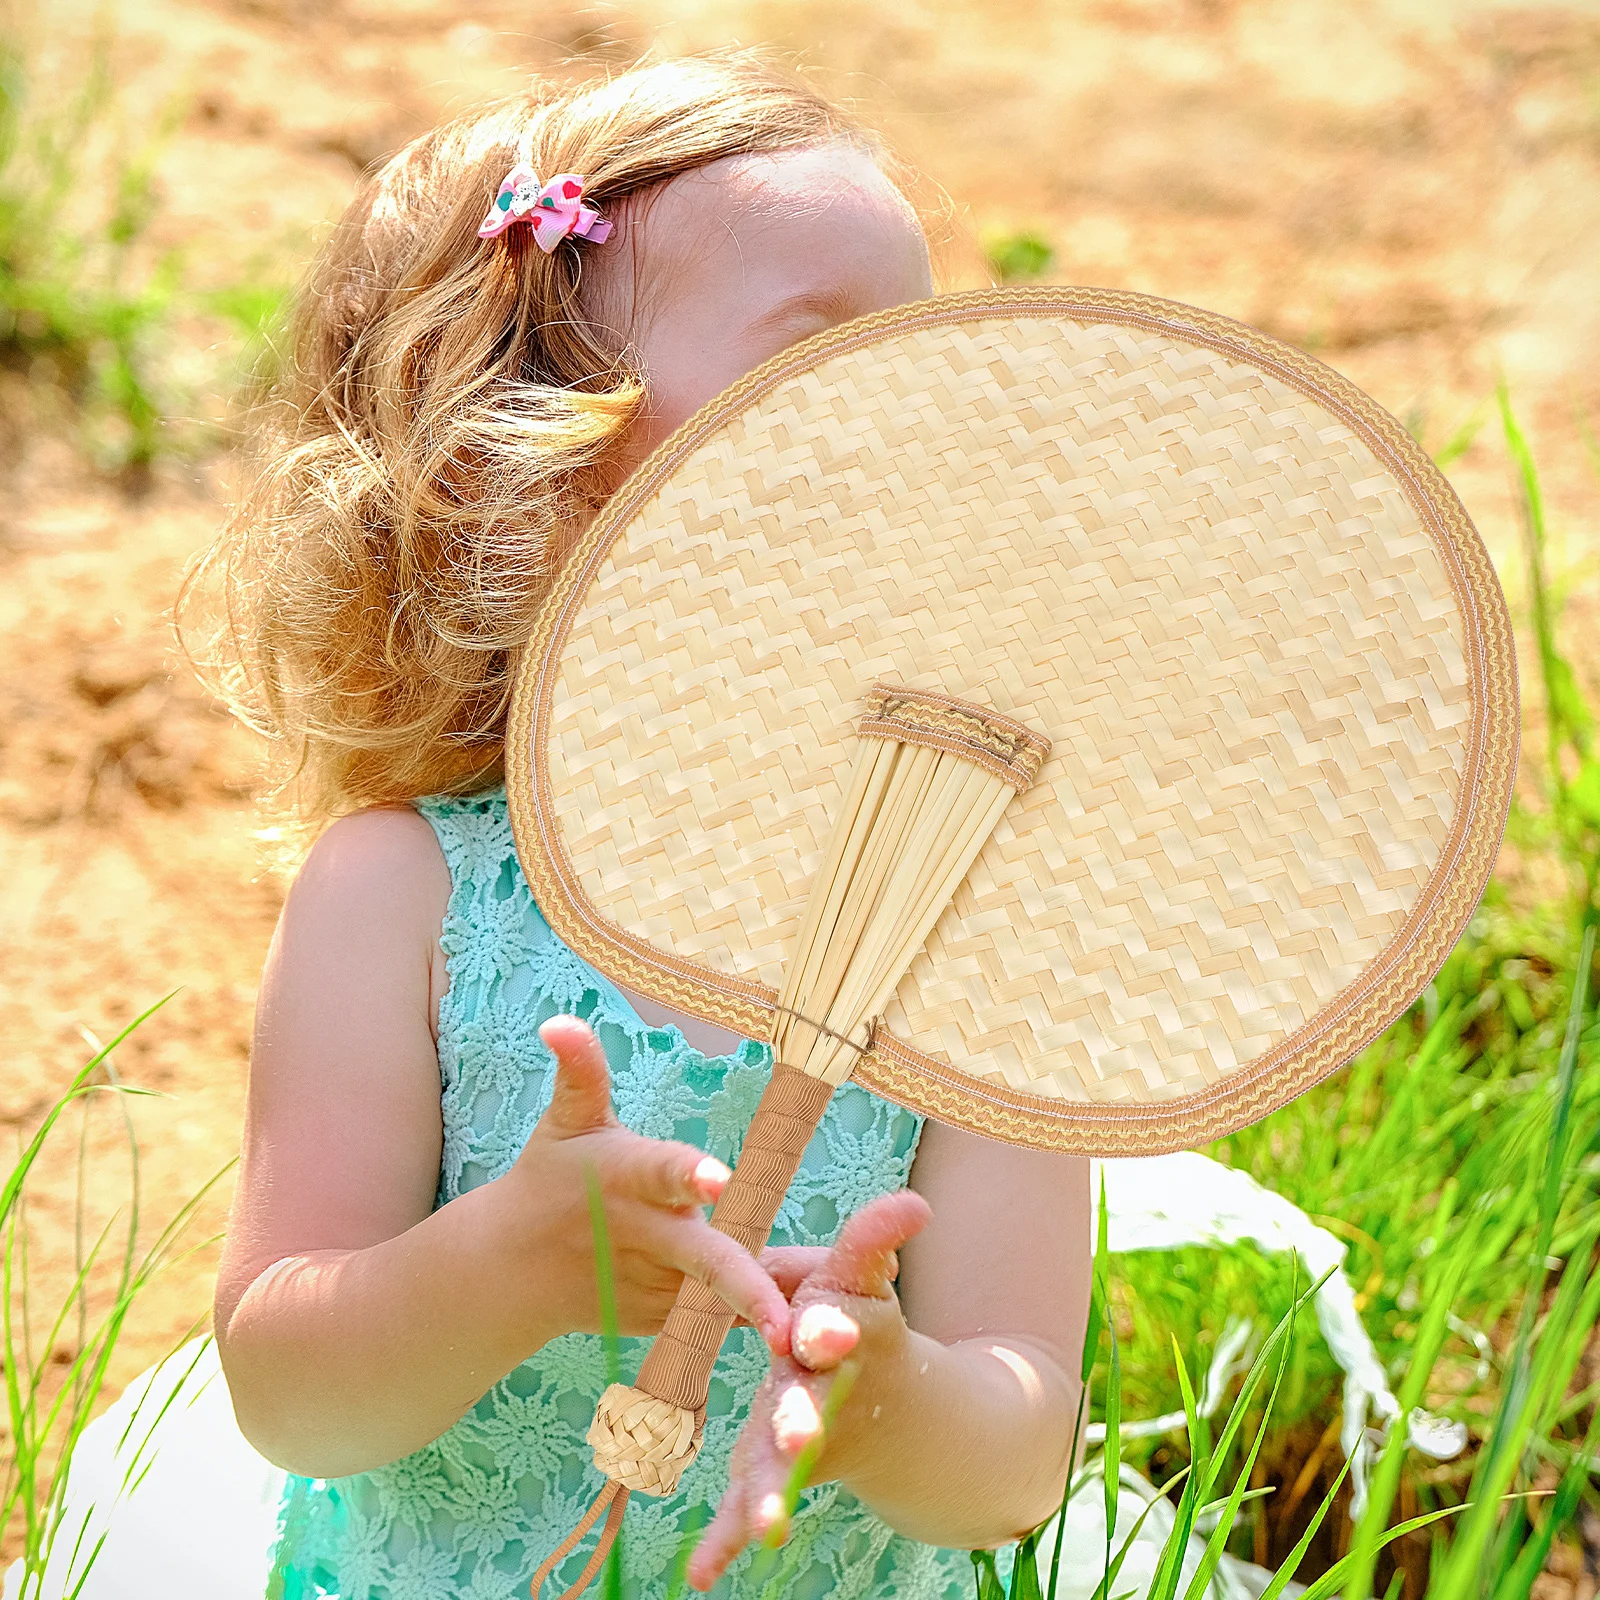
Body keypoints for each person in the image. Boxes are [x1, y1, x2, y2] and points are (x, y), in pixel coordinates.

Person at [197, 52, 1090, 1600]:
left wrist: (888, 1398)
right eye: (821, 359)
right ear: (542, 462)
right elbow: (290, 1393)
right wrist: (505, 1268)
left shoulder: (971, 906)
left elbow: (1014, 1462)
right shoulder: (402, 896)